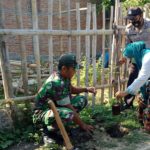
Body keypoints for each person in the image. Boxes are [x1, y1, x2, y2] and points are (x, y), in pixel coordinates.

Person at [33, 53, 97, 137]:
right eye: (73, 69)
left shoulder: (65, 77)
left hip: (56, 108)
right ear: (64, 69)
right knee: (69, 113)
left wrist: (86, 89)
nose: (75, 71)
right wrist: (83, 125)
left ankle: (63, 123)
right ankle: (49, 130)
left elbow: (72, 89)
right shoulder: (57, 82)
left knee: (82, 100)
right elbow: (68, 107)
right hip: (43, 113)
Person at [120, 7, 150, 110]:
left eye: (134, 17)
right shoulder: (128, 29)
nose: (132, 20)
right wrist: (125, 56)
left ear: (141, 15)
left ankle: (145, 104)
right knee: (133, 77)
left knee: (146, 81)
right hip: (136, 59)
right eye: (130, 18)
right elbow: (129, 45)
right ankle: (128, 103)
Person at [116, 41, 150, 122]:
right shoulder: (144, 54)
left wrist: (125, 92)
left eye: (132, 56)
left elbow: (142, 78)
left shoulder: (148, 58)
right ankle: (144, 119)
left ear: (135, 52)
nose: (132, 59)